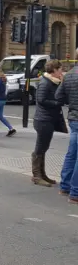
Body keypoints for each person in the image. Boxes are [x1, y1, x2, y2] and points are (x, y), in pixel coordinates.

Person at [32, 60, 66, 187]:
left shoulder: (54, 82)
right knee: (40, 147)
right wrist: (57, 103)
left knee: (44, 147)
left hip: (48, 119)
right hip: (43, 120)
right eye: (60, 69)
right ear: (54, 70)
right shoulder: (45, 83)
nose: (61, 71)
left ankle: (42, 174)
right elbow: (41, 100)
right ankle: (37, 175)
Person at [54, 50, 78, 203]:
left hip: (73, 118)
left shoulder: (68, 75)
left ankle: (65, 186)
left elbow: (58, 97)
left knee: (72, 153)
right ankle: (75, 192)